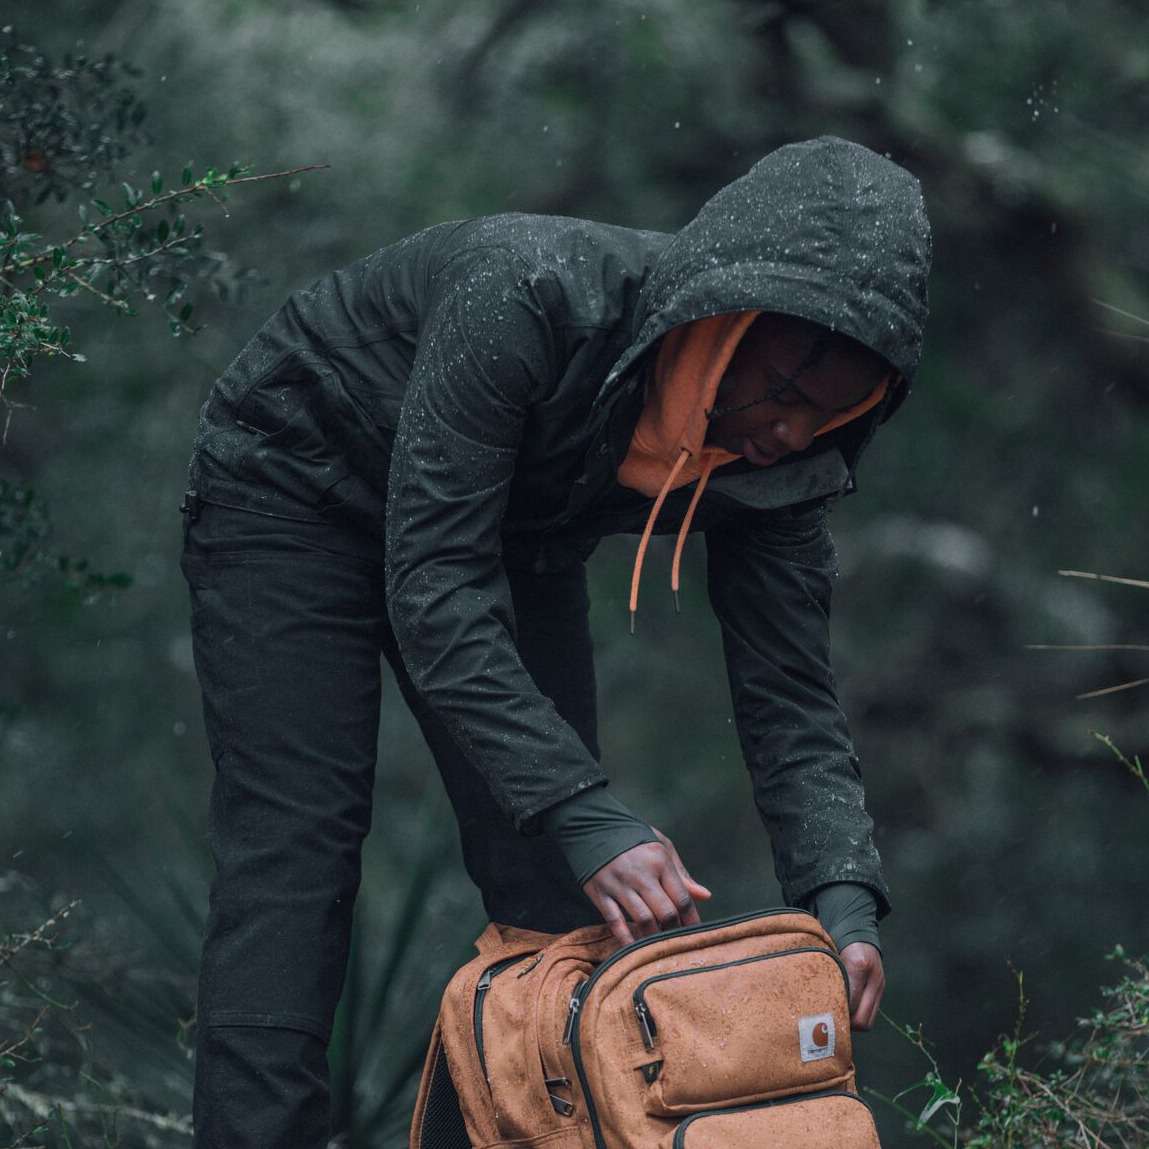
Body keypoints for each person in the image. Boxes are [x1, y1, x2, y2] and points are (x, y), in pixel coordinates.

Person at [178, 134, 931, 1147]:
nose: (794, 433)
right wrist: (585, 808)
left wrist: (842, 903)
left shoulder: (781, 471)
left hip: (505, 535)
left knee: (555, 893)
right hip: (296, 485)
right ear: (723, 319)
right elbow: (434, 584)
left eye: (835, 411)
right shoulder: (527, 294)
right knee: (299, 844)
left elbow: (791, 696)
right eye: (787, 396)